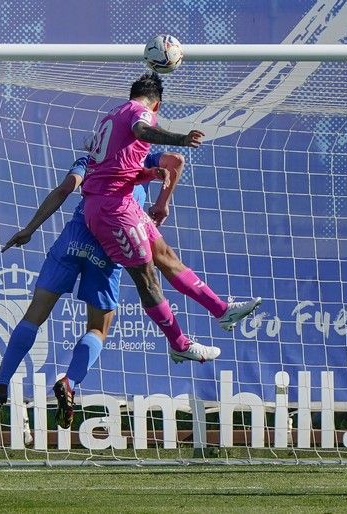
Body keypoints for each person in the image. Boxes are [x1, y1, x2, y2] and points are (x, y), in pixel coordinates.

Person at [0, 150, 175, 429]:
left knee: (34, 315)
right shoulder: (141, 162)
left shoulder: (91, 160)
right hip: (109, 246)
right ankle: (69, 383)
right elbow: (174, 161)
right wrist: (163, 200)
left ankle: (1, 382)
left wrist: (30, 228)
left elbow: (64, 189)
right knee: (98, 328)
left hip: (73, 239)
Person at [81, 71, 261, 365]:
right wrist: (180, 138)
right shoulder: (140, 113)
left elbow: (115, 167)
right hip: (112, 209)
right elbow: (142, 130)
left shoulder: (113, 115)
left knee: (165, 255)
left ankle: (221, 310)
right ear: (157, 104)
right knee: (146, 276)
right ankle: (178, 343)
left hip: (120, 201)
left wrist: (150, 173)